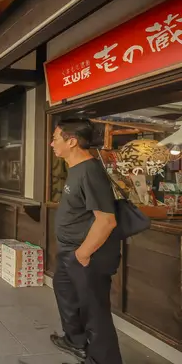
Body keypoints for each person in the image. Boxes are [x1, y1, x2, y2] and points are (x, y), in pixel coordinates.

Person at [50, 119, 121, 364]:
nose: (51, 143)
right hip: (70, 251)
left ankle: (103, 360)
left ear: (72, 141)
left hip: (87, 254)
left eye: (56, 138)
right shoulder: (76, 169)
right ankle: (75, 341)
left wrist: (83, 253)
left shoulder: (90, 171)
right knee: (66, 295)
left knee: (94, 312)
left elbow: (107, 221)